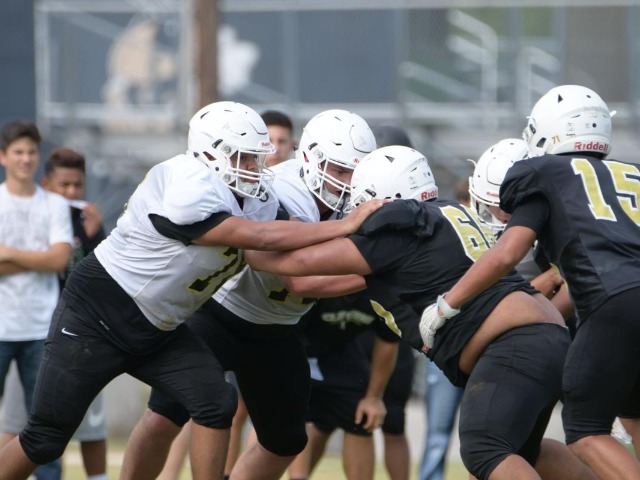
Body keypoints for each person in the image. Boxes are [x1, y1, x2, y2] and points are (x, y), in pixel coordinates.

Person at [0, 102, 382, 480]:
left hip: (161, 325)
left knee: (217, 403)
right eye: (244, 159)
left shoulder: (257, 195)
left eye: (255, 159)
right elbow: (259, 237)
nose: (255, 169)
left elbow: (268, 253)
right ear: (210, 152)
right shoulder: (187, 183)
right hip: (101, 309)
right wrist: (346, 228)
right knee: (46, 438)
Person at [245, 145, 596, 480]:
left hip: (513, 345)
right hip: (545, 336)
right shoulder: (443, 215)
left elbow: (297, 264)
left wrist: (248, 239)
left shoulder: (400, 226)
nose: (358, 209)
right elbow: (306, 284)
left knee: (485, 450)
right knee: (524, 453)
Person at [117, 108, 378, 480]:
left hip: (279, 327)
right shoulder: (283, 191)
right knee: (164, 415)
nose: (348, 182)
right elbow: (299, 280)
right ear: (309, 158)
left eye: (355, 171)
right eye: (338, 170)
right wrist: (379, 275)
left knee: (286, 440)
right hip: (220, 313)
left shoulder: (366, 195)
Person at [423, 84, 640, 480]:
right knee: (634, 413)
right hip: (624, 298)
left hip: (613, 305)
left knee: (585, 430)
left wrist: (446, 305)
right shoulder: (631, 173)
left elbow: (506, 253)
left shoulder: (543, 174)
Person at [1, 147, 110, 480]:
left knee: (89, 421)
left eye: (77, 186)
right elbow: (49, 261)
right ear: (46, 184)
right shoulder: (37, 214)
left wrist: (95, 237)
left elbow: (97, 274)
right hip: (32, 329)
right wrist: (44, 258)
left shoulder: (86, 223)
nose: (71, 193)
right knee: (18, 420)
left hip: (83, 335)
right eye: (64, 185)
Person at [0, 121, 73, 480]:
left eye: (31, 151)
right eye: (18, 152)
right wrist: (37, 257)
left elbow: (59, 260)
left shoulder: (55, 204)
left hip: (42, 327)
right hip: (1, 326)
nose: (25, 159)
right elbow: (47, 257)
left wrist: (7, 254)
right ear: (3, 157)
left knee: (46, 423)